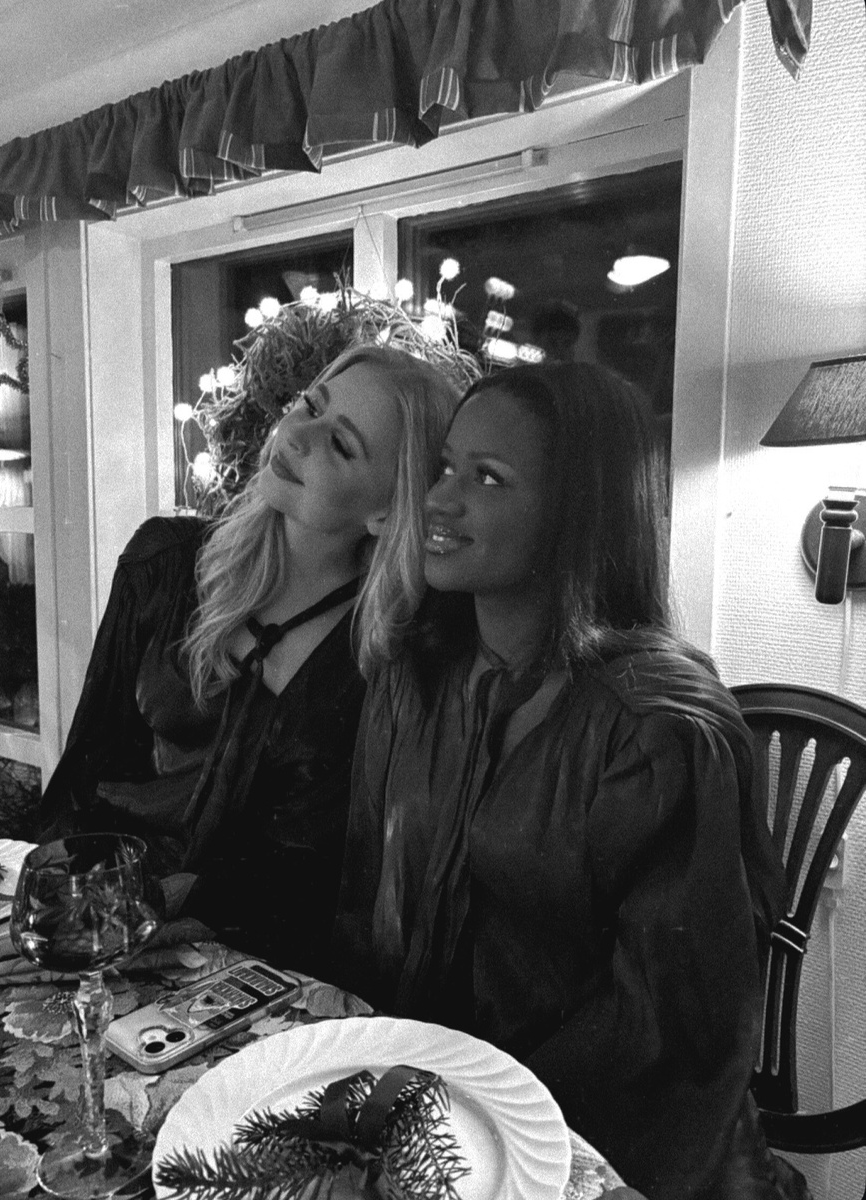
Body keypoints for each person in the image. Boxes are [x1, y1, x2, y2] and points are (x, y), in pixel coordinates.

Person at [333, 363, 805, 1199]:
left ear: (577, 512)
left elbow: (668, 1035)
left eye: (487, 478)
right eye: (444, 467)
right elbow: (367, 895)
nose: (437, 499)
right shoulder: (415, 677)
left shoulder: (659, 731)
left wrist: (474, 1115)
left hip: (598, 1150)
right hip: (424, 1116)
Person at [38, 343, 460, 976]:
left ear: (385, 510)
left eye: (341, 444)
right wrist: (64, 903)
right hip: (97, 917)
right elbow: (84, 770)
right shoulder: (164, 564)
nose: (297, 435)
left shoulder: (378, 658)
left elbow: (315, 875)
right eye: (310, 405)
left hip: (248, 964)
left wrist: (177, 906)